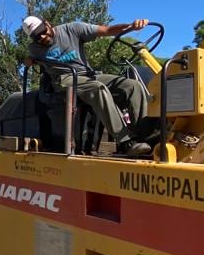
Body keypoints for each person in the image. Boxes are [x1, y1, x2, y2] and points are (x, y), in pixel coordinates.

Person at [23, 15, 151, 157]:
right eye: (37, 36)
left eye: (43, 31)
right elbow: (29, 59)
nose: (42, 36)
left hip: (88, 74)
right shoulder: (34, 48)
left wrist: (131, 27)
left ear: (47, 23)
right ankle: (126, 142)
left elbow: (107, 30)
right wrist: (28, 61)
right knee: (97, 88)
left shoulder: (72, 29)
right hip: (65, 80)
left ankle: (145, 138)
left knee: (132, 86)